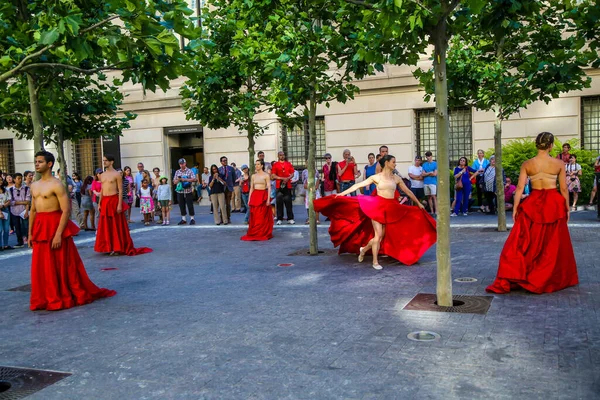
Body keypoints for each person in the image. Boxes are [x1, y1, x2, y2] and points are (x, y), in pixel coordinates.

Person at [487, 132, 578, 294]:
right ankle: (545, 275)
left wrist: (515, 207)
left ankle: (522, 272)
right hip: (553, 203)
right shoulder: (558, 164)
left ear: (537, 144)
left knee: (527, 240)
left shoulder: (527, 164)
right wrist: (567, 207)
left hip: (533, 202)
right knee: (552, 242)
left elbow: (520, 188)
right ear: (551, 145)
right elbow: (563, 188)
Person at [28, 150, 116, 311]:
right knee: (41, 264)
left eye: (40, 161)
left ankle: (60, 293)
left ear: (49, 164)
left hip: (54, 225)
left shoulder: (57, 185)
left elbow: (66, 211)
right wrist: (30, 233)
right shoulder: (34, 185)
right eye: (36, 161)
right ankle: (44, 296)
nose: (36, 164)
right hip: (41, 226)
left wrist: (58, 234)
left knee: (60, 263)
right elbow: (33, 210)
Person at [314, 155, 436, 270]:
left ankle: (364, 249)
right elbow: (358, 185)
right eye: (393, 162)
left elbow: (408, 192)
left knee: (381, 236)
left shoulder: (396, 178)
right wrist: (341, 194)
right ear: (387, 163)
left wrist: (418, 203)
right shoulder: (376, 177)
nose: (395, 164)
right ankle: (375, 261)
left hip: (391, 208)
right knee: (378, 235)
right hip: (377, 207)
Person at [94, 155, 152, 256]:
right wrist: (100, 203)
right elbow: (102, 189)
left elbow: (121, 190)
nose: (104, 162)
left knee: (116, 225)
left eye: (106, 161)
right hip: (105, 201)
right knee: (106, 225)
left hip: (114, 200)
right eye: (103, 160)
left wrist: (120, 204)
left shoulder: (117, 174)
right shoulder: (102, 175)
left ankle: (117, 247)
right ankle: (108, 247)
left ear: (111, 162)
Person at [241, 159, 273, 241]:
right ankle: (255, 231)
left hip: (263, 195)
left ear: (262, 165)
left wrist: (268, 199)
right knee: (254, 215)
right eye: (256, 164)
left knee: (262, 215)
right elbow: (251, 188)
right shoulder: (253, 176)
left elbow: (269, 187)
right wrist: (249, 199)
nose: (256, 166)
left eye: (258, 164)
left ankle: (262, 232)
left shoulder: (266, 175)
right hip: (255, 196)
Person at [271, 151, 295, 224]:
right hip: (279, 185)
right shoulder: (275, 165)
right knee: (279, 202)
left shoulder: (288, 164)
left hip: (287, 185)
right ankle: (279, 218)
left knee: (288, 202)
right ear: (278, 156)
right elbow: (273, 175)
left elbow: (292, 173)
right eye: (280, 155)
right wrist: (282, 178)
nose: (282, 156)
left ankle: (290, 218)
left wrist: (288, 178)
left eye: (283, 155)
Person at [8, 172, 30, 248]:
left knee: (26, 226)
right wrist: (22, 202)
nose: (20, 180)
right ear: (14, 179)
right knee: (17, 227)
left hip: (24, 210)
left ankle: (29, 239)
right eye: (18, 178)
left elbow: (28, 201)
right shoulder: (10, 190)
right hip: (14, 211)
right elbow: (10, 202)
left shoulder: (26, 188)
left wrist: (27, 211)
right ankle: (19, 241)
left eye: (21, 178)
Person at [173, 158, 197, 225]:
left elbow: (194, 179)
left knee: (190, 205)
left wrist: (185, 179)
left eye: (183, 163)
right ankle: (183, 219)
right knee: (181, 205)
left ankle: (192, 218)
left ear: (185, 163)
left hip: (188, 190)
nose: (182, 165)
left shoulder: (189, 171)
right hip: (180, 191)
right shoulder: (177, 172)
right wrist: (178, 179)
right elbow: (174, 182)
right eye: (180, 164)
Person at [219, 156, 236, 220]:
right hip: (222, 188)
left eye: (226, 160)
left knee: (228, 204)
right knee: (222, 203)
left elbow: (234, 177)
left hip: (229, 188)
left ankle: (228, 217)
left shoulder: (231, 168)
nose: (225, 161)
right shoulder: (219, 169)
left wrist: (232, 185)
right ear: (221, 162)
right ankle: (222, 217)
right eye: (223, 161)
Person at [422, 151, 438, 216]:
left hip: (433, 182)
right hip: (426, 182)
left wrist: (426, 173)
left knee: (434, 196)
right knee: (429, 197)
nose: (428, 157)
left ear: (431, 156)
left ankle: (436, 211)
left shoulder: (435, 164)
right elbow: (423, 174)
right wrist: (429, 173)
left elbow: (435, 174)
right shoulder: (424, 164)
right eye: (427, 156)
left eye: (429, 156)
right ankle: (431, 211)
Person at [0, 184, 12, 250]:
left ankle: (5, 245)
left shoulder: (6, 190)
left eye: (1, 180)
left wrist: (4, 206)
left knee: (6, 229)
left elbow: (9, 200)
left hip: (5, 210)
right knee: (0, 229)